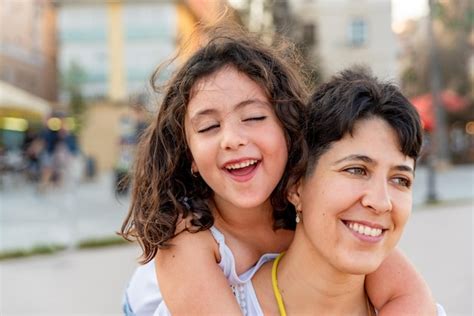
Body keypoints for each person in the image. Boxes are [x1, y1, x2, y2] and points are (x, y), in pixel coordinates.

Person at [120, 25, 435, 315]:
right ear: (188, 155)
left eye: (254, 118)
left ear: (288, 129)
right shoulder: (188, 236)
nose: (232, 139)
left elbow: (411, 297)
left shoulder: (316, 205)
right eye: (209, 127)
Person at [247, 67, 445, 315]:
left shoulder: (422, 310)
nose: (381, 202)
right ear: (296, 186)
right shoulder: (221, 303)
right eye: (356, 170)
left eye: (400, 180)